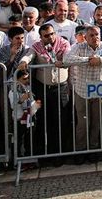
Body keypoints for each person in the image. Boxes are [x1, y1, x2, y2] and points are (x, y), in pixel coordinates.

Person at [63, 25, 102, 162]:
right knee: (82, 123)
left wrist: (101, 60)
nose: (95, 38)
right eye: (92, 35)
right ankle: (80, 150)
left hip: (100, 92)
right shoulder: (80, 46)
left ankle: (94, 149)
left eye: (97, 35)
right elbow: (67, 59)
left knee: (97, 122)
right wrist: (88, 60)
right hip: (82, 91)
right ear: (85, 37)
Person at [18, 23, 71, 159]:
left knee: (60, 120)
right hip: (43, 88)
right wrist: (23, 61)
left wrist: (63, 60)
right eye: (46, 36)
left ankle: (60, 153)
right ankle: (44, 153)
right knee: (44, 120)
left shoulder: (63, 42)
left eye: (52, 34)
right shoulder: (36, 46)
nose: (51, 37)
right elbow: (29, 55)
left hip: (61, 87)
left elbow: (67, 55)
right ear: (41, 37)